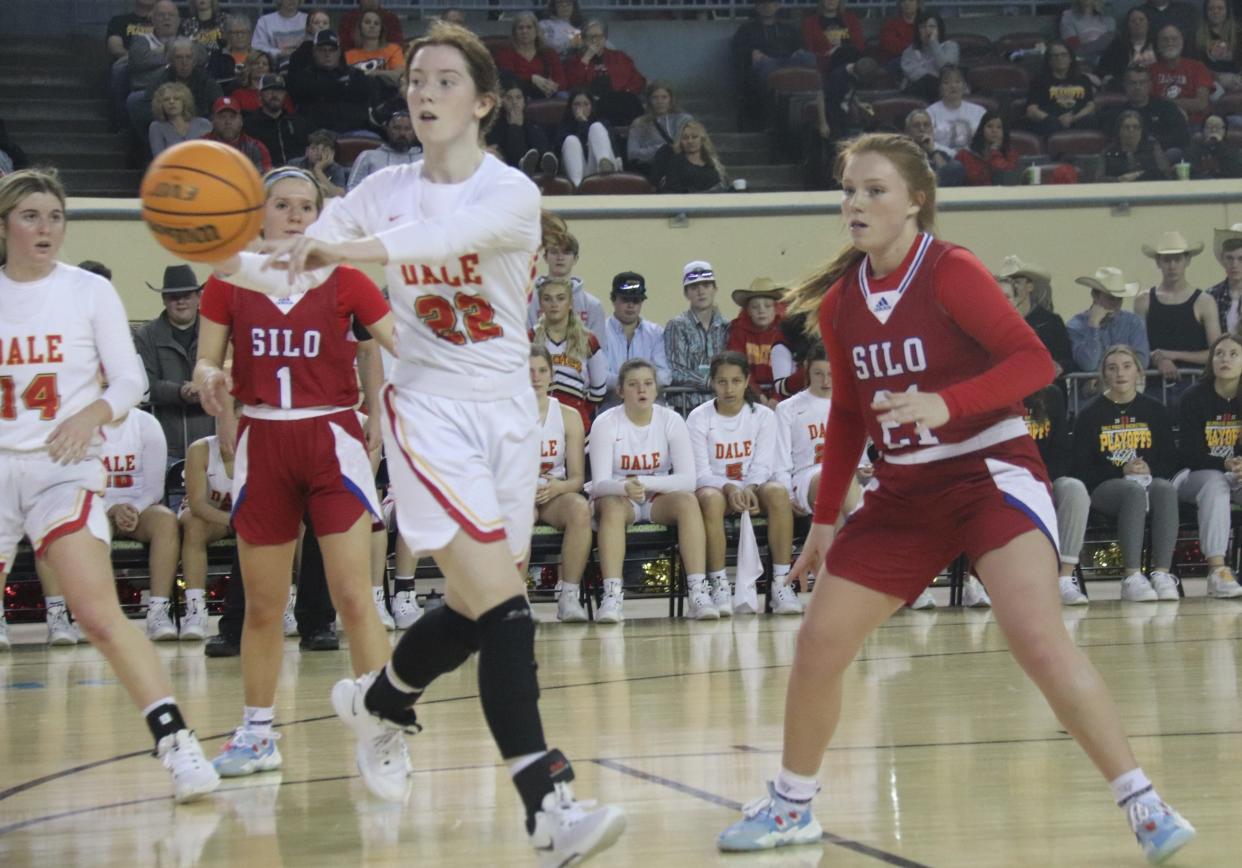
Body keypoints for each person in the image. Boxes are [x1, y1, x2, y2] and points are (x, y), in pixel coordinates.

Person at [203, 23, 625, 862]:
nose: (423, 93)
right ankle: (548, 807)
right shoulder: (378, 188)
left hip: (507, 412)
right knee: (507, 609)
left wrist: (340, 248)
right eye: (413, 82)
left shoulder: (511, 194)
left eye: (441, 80)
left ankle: (382, 702)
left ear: (485, 102)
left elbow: (429, 245)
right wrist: (223, 254)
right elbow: (294, 261)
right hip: (427, 412)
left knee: (472, 612)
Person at [713, 133, 1197, 864]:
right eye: (849, 189)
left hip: (987, 474)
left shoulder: (950, 270)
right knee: (818, 643)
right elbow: (848, 414)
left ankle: (1142, 800)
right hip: (904, 493)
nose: (857, 203)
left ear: (916, 202)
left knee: (1035, 636)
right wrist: (826, 519)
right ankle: (792, 805)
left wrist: (947, 404)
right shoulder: (843, 304)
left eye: (875, 190)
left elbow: (1035, 361)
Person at [0, 168, 219, 800]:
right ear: (6, 224)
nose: (46, 228)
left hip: (59, 469)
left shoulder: (86, 292)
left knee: (97, 613)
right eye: (31, 216)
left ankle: (176, 741)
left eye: (56, 216)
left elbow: (129, 382)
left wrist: (91, 413)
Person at [192, 166, 393, 778]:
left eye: (308, 206)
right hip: (263, 439)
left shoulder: (348, 279)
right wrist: (209, 380)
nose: (298, 216)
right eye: (284, 205)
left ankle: (383, 732)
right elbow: (206, 360)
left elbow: (402, 344)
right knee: (261, 605)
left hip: (331, 435)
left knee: (354, 597)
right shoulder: (228, 281)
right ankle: (256, 733)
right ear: (260, 214)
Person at [590, 358, 707, 622]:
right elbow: (599, 484)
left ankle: (698, 592)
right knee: (609, 505)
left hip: (656, 495)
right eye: (632, 385)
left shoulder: (671, 420)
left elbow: (688, 480)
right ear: (620, 391)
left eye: (647, 384)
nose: (641, 390)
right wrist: (624, 487)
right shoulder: (606, 422)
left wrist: (644, 483)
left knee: (688, 502)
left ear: (656, 390)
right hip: (620, 496)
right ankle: (612, 595)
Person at [688, 352, 796, 617]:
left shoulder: (763, 416)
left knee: (779, 493)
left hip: (753, 486)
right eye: (722, 382)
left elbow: (764, 464)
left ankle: (782, 583)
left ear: (747, 381)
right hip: (717, 488)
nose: (729, 388)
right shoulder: (699, 417)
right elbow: (699, 473)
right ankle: (718, 584)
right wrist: (729, 487)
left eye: (736, 381)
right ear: (712, 382)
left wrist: (751, 486)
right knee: (710, 500)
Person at [1072, 345, 1182, 601]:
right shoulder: (1089, 414)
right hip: (1105, 486)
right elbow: (1081, 468)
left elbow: (1171, 460)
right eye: (1112, 368)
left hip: (1147, 480)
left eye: (1126, 366)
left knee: (1165, 488)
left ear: (1138, 372)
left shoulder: (1155, 410)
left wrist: (1150, 469)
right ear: (1104, 376)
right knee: (1131, 490)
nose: (1120, 373)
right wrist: (1119, 469)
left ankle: (1162, 574)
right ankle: (1132, 576)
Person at [1175, 333, 1242, 598]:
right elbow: (1188, 453)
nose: (1225, 359)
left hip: (1235, 475)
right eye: (1219, 353)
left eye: (1233, 354)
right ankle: (1218, 570)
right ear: (1211, 361)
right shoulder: (1193, 397)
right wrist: (1223, 462)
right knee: (1215, 483)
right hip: (1196, 476)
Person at [528, 346, 591, 622]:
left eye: (542, 370)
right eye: (529, 371)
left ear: (552, 375)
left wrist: (558, 488)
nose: (536, 377)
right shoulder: (503, 414)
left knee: (579, 509)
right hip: (517, 494)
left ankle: (569, 594)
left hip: (554, 493)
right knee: (519, 514)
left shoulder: (568, 416)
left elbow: (578, 477)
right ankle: (518, 598)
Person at [134, 265, 215, 461]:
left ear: (199, 297)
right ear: (164, 300)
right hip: (167, 446)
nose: (180, 302)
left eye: (186, 295)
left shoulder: (215, 331)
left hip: (214, 444)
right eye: (173, 297)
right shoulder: (146, 336)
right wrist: (181, 392)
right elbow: (145, 386)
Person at [1134, 230, 1218, 396]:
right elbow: (1138, 347)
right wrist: (1160, 359)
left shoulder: (1204, 301)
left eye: (1177, 259)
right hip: (1155, 387)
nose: (1172, 266)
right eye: (1167, 260)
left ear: (1187, 261)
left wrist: (1172, 355)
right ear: (1158, 262)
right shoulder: (1143, 300)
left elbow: (1215, 352)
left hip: (1197, 387)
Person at [532, 277, 607, 431]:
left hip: (577, 420)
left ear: (570, 303)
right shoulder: (530, 338)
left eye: (560, 298)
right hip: (537, 419)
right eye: (547, 299)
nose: (554, 304)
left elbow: (599, 389)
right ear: (540, 304)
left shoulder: (588, 340)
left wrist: (582, 411)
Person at [732, 0, 816, 130]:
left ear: (777, 6)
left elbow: (801, 48)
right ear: (756, 7)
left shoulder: (789, 28)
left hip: (788, 64)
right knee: (767, 66)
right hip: (766, 65)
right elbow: (738, 50)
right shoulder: (746, 29)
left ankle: (812, 104)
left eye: (770, 3)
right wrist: (751, 53)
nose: (766, 7)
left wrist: (798, 52)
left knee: (808, 58)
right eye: (762, 3)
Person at [665, 260, 732, 412]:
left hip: (722, 405)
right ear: (686, 293)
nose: (701, 292)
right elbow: (675, 370)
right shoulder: (677, 325)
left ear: (715, 289)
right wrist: (711, 382)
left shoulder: (726, 326)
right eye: (694, 287)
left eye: (706, 285)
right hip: (687, 407)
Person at [601, 271, 671, 409]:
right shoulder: (600, 332)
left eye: (636, 300)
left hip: (651, 406)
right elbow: (599, 375)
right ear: (614, 299)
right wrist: (638, 382)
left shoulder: (656, 333)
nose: (631, 305)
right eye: (625, 300)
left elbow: (665, 375)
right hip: (610, 406)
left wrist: (631, 383)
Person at [994, 255, 1073, 375]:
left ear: (1030, 286)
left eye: (1017, 282)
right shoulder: (998, 324)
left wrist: (1059, 366)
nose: (1014, 288)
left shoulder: (1050, 322)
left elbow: (1068, 359)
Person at [287, 30, 374, 134]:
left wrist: (328, 89)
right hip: (317, 134)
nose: (327, 54)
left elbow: (366, 90)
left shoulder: (356, 74)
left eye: (332, 50)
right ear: (314, 51)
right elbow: (307, 89)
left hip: (355, 131)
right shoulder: (303, 76)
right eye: (323, 50)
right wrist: (343, 86)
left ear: (339, 52)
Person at [1066, 266, 1150, 374]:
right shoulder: (1075, 326)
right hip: (1091, 391)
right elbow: (1088, 364)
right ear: (1095, 295)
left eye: (1119, 299)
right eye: (1110, 298)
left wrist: (1105, 367)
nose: (1115, 304)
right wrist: (1093, 325)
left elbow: (1142, 362)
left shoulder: (1133, 322)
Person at [524, 228, 605, 339]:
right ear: (545, 257)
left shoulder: (592, 306)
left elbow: (598, 349)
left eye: (566, 252)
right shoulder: (528, 302)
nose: (560, 258)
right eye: (554, 252)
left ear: (575, 259)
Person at [564, 21, 645, 127]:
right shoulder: (575, 61)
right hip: (593, 103)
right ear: (583, 40)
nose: (594, 40)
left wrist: (627, 91)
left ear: (605, 38)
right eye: (589, 37)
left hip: (621, 99)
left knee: (628, 102)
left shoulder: (619, 57)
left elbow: (638, 80)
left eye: (598, 36)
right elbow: (573, 83)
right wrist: (586, 58)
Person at [1101, 64, 1190, 156]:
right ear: (1125, 86)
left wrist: (1150, 143)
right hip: (1126, 157)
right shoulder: (1118, 112)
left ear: (1150, 85)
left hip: (1162, 155)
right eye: (1132, 83)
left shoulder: (1167, 108)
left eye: (1142, 82)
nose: (1137, 87)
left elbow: (1181, 136)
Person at [726, 278, 786, 403]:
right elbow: (738, 367)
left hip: (783, 397)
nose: (761, 310)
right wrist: (757, 395)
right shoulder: (738, 331)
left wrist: (777, 397)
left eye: (767, 306)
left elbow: (789, 368)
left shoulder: (786, 331)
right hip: (747, 396)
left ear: (776, 308)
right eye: (755, 307)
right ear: (748, 310)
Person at [1024, 41, 1096, 135]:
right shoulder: (1039, 81)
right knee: (1050, 126)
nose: (1060, 58)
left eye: (1063, 55)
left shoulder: (1083, 79)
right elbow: (1031, 110)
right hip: (1050, 122)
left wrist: (1073, 118)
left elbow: (1090, 106)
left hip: (1078, 120)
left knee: (1092, 120)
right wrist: (1054, 120)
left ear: (1070, 58)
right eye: (1055, 56)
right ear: (1049, 61)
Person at [494, 11, 566, 101]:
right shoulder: (505, 52)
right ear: (514, 32)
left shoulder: (549, 53)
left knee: (564, 97)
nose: (525, 31)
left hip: (547, 94)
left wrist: (552, 86)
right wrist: (532, 78)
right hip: (519, 95)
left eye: (529, 27)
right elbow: (507, 77)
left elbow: (561, 80)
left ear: (536, 31)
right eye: (520, 28)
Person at [555, 90, 620, 188]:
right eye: (577, 104)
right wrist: (582, 124)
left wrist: (585, 124)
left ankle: (604, 163)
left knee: (596, 127)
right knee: (571, 140)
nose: (581, 108)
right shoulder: (564, 127)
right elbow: (559, 149)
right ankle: (578, 188)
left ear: (592, 107)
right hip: (579, 174)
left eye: (586, 104)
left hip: (599, 169)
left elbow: (613, 147)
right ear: (570, 108)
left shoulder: (603, 123)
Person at [487, 84, 556, 176]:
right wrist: (515, 127)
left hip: (536, 164)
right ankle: (523, 165)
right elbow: (495, 149)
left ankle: (547, 167)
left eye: (518, 98)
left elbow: (541, 146)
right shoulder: (495, 125)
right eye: (509, 98)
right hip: (508, 165)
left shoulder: (533, 124)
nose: (514, 102)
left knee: (539, 143)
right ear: (503, 102)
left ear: (524, 101)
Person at [1150, 25, 1213, 125]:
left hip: (1193, 125)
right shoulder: (1150, 70)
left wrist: (1167, 103)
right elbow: (1148, 104)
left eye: (1174, 39)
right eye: (1165, 39)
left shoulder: (1197, 67)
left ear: (1182, 42)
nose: (1170, 43)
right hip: (1160, 123)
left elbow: (1201, 103)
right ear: (1158, 44)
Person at [243, 74, 307, 167]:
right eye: (270, 91)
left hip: (297, 175)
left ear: (285, 94)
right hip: (265, 176)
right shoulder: (249, 125)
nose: (275, 95)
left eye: (279, 91)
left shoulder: (297, 121)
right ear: (260, 95)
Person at [348, 109, 422, 190]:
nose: (402, 133)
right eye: (397, 128)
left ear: (415, 131)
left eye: (407, 129)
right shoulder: (368, 157)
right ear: (387, 129)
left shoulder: (426, 160)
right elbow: (352, 189)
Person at [654, 120, 728, 193]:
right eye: (685, 138)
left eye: (694, 137)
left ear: (702, 139)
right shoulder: (676, 160)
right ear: (681, 141)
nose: (690, 141)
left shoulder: (712, 160)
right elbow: (672, 190)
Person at [926, 65, 985, 156]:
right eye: (946, 82)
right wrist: (953, 154)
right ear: (940, 87)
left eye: (957, 82)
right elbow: (926, 140)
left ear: (964, 86)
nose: (953, 86)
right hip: (943, 161)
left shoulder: (980, 111)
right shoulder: (930, 112)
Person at [901, 10, 957, 103]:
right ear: (917, 31)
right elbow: (919, 78)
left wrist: (934, 43)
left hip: (945, 94)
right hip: (918, 95)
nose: (928, 31)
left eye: (932, 26)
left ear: (939, 29)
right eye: (923, 27)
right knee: (928, 83)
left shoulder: (951, 47)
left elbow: (947, 68)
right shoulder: (909, 52)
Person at [1101, 109, 1173, 182]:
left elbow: (1166, 174)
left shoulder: (1152, 148)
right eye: (1126, 127)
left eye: (1135, 127)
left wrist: (1140, 175)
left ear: (1141, 130)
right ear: (1119, 131)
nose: (1131, 131)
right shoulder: (1108, 152)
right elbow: (1098, 179)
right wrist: (1119, 180)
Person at [206, 95, 273, 172]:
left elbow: (265, 179)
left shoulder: (256, 148)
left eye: (232, 117)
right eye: (222, 117)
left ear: (241, 121)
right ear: (213, 120)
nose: (228, 122)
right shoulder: (201, 147)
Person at [956, 111, 1021, 186]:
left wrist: (995, 151)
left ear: (1004, 132)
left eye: (999, 127)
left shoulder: (1011, 154)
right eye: (989, 126)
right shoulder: (964, 154)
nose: (994, 130)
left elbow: (1006, 178)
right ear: (982, 130)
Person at [904, 107, 965, 187]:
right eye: (916, 125)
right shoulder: (901, 152)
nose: (922, 129)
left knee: (956, 166)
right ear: (908, 131)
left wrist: (933, 151)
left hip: (940, 195)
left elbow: (948, 175)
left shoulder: (940, 154)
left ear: (932, 130)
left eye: (926, 125)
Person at [148, 81, 211, 156]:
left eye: (177, 98)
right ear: (160, 105)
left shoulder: (203, 124)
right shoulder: (156, 127)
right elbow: (159, 158)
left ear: (184, 102)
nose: (171, 102)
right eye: (166, 99)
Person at [801, 0, 863, 74]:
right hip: (825, 63)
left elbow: (860, 46)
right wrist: (828, 54)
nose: (831, 1)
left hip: (850, 59)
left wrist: (840, 48)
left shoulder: (851, 19)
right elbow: (809, 50)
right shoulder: (810, 23)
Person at [1098, 8, 1157, 85]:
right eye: (1133, 21)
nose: (1137, 23)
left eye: (1141, 19)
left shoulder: (1157, 43)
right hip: (1125, 85)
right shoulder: (1117, 45)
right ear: (1127, 25)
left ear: (1148, 23)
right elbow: (1102, 68)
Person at [345, 8, 405, 84]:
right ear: (360, 27)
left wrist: (371, 73)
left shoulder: (393, 49)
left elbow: (398, 75)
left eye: (376, 23)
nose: (372, 25)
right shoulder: (348, 55)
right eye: (367, 22)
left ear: (381, 29)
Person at [289, 127, 348, 196]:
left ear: (332, 154)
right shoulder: (295, 164)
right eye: (314, 149)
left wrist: (318, 170)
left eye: (324, 150)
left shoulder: (336, 169)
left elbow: (340, 195)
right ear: (307, 151)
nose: (319, 153)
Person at [1185, 113, 1242, 178]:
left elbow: (1236, 173)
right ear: (1203, 130)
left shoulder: (1232, 149)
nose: (1213, 130)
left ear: (1225, 131)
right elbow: (1190, 171)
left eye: (1218, 127)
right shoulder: (1195, 147)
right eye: (1209, 127)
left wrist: (1219, 145)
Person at [1060, 0, 1115, 67]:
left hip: (1107, 62)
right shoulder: (1068, 17)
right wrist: (1102, 41)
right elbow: (1076, 49)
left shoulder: (1108, 19)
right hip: (1081, 64)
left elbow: (1111, 45)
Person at [253, 0, 307, 67]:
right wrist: (279, 53)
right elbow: (257, 47)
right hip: (273, 68)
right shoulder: (265, 21)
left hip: (304, 67)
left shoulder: (307, 19)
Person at [339, 0, 405, 54]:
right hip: (355, 63)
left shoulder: (391, 19)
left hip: (384, 63)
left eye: (376, 23)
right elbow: (343, 49)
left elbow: (397, 49)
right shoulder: (348, 19)